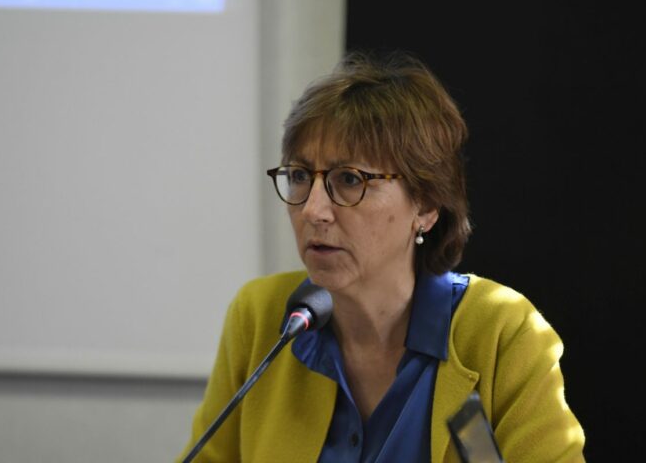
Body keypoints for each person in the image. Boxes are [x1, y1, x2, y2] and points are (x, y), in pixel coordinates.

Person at [179, 50, 585, 462]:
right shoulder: (262, 318)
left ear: (426, 205)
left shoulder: (502, 333)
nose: (313, 210)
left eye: (349, 179)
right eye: (300, 176)